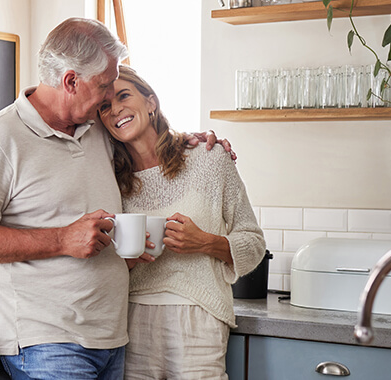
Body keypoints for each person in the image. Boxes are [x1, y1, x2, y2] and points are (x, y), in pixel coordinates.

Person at [0, 18, 229, 380]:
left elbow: (143, 134)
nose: (110, 95)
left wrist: (193, 141)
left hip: (110, 338)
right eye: (104, 84)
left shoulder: (95, 127)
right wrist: (62, 239)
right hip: (47, 343)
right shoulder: (0, 139)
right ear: (70, 81)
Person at [96, 65, 265, 380]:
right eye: (105, 106)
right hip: (131, 320)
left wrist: (204, 242)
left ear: (151, 102)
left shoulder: (208, 158)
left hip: (199, 318)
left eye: (123, 95)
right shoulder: (108, 181)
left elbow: (253, 243)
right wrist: (128, 260)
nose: (115, 108)